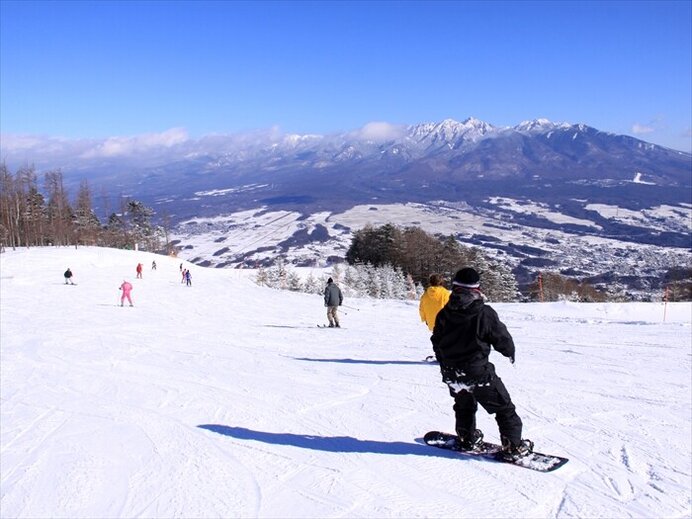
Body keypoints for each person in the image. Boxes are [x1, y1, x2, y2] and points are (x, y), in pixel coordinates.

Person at [430, 267, 533, 461]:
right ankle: (514, 447)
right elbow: (501, 337)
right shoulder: (483, 313)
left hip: (452, 372)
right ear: (476, 289)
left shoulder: (444, 313)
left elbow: (436, 341)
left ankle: (466, 438)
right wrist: (509, 352)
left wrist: (445, 364)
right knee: (504, 409)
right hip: (478, 373)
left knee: (463, 404)